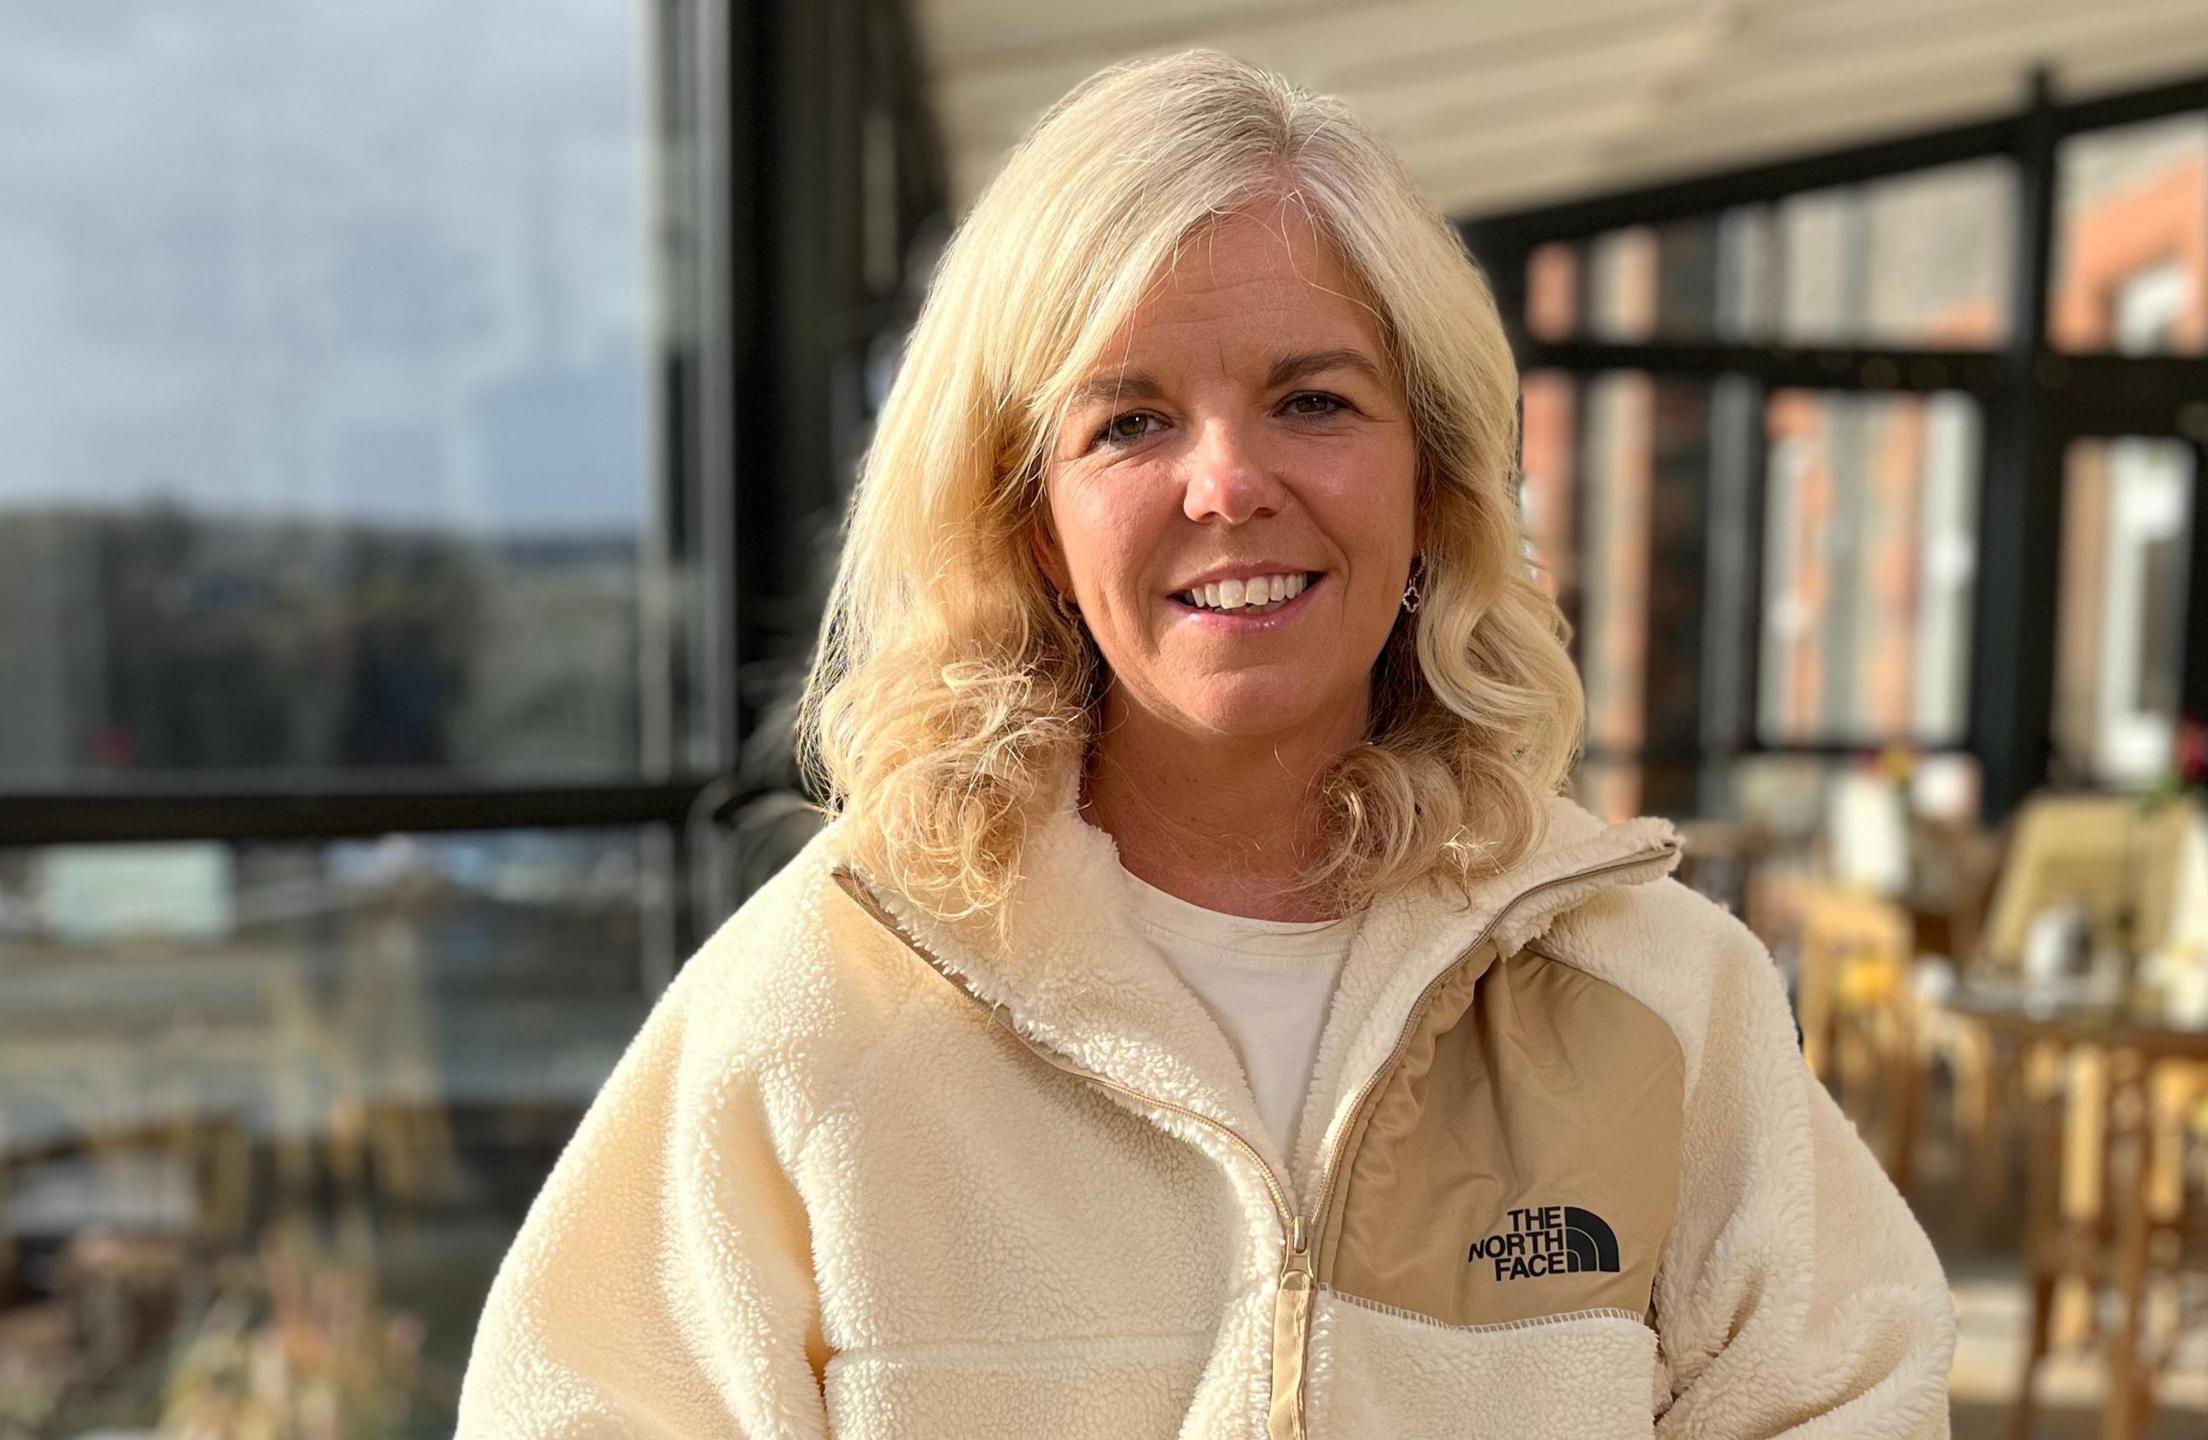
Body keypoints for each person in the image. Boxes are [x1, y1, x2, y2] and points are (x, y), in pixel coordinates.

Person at [456, 48, 1953, 1439]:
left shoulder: (1663, 999)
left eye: (1313, 400)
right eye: (1129, 423)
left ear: (1433, 482)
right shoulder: (821, 1013)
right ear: (1023, 516)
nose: (1228, 482)